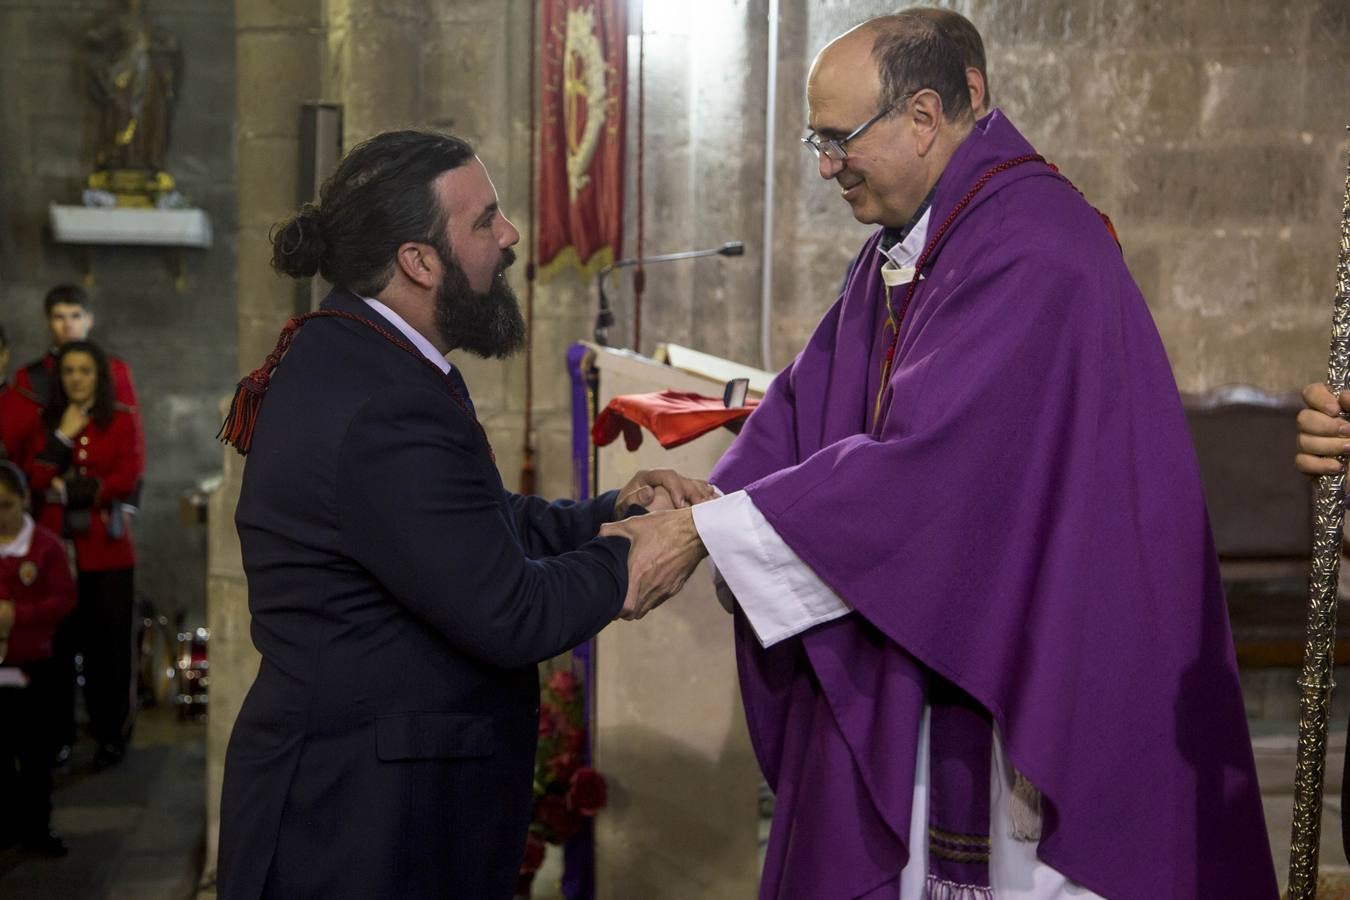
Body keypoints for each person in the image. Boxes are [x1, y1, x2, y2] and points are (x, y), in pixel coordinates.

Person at [604, 11, 1276, 898]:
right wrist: (710, 500)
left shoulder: (1032, 247)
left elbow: (934, 472)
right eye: (818, 139)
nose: (825, 166)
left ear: (923, 118)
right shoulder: (915, 245)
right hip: (948, 643)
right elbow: (812, 403)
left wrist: (710, 534)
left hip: (1046, 653)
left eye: (839, 139)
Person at [215, 129, 711, 900]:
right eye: (485, 220)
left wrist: (606, 512)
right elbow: (509, 611)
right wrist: (638, 552)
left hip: (365, 802)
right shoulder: (384, 398)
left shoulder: (363, 354)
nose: (509, 236)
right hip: (360, 830)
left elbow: (459, 523)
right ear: (418, 261)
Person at [25, 340, 145, 770]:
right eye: (70, 371)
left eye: (85, 371)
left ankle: (110, 734)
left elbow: (126, 476)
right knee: (56, 651)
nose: (76, 378)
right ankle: (59, 735)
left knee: (109, 651)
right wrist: (62, 436)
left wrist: (69, 490)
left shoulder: (122, 420)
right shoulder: (49, 422)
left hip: (108, 554)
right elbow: (36, 478)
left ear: (99, 376)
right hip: (59, 554)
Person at [0, 461, 77, 857]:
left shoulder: (44, 546)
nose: (1, 517)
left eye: (7, 506)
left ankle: (37, 829)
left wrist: (19, 615)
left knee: (35, 757)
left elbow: (64, 598)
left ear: (24, 500)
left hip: (35, 666)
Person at [8, 285, 143, 475]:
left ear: (90, 320)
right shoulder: (29, 375)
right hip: (47, 476)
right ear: (48, 322)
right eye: (59, 317)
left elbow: (132, 436)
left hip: (105, 477)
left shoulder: (115, 369)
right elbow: (20, 443)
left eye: (76, 316)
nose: (68, 325)